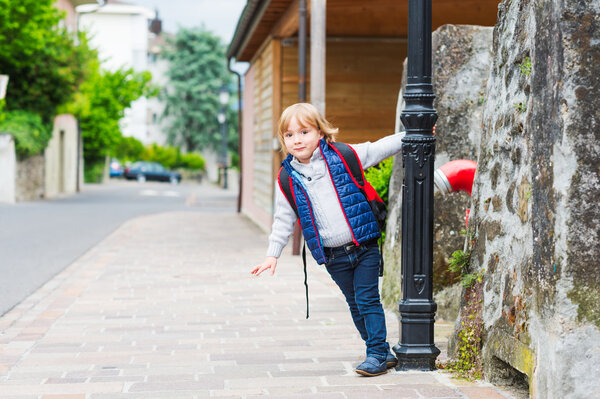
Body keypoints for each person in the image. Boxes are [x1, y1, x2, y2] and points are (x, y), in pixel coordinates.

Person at [251, 102, 405, 377]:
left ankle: (376, 354)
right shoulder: (287, 177)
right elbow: (283, 218)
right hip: (333, 255)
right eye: (289, 135)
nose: (297, 139)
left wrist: (414, 134)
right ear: (283, 140)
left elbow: (378, 147)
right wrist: (272, 254)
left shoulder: (345, 155)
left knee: (367, 298)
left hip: (363, 244)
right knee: (354, 302)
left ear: (320, 133)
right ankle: (379, 349)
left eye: (304, 132)